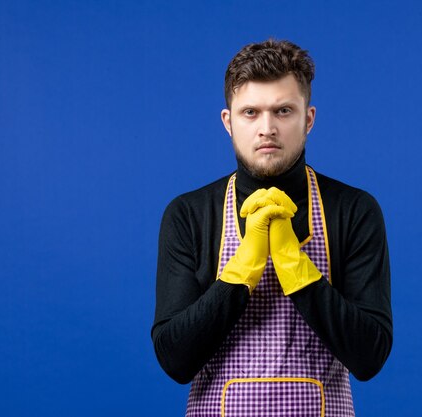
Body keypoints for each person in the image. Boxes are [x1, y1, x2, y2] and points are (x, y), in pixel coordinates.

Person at [151, 39, 392, 416]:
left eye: (283, 110)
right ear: (228, 122)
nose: (267, 128)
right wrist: (243, 267)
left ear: (308, 118)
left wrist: (292, 263)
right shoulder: (189, 214)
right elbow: (175, 359)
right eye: (250, 112)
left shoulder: (354, 210)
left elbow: (369, 356)